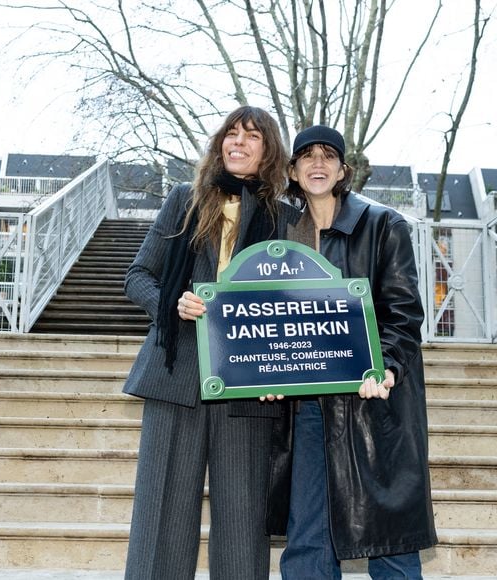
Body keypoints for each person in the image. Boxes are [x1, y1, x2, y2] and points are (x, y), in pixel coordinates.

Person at [122, 105, 295, 580]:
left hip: (248, 384)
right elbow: (137, 276)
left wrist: (283, 372)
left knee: (242, 524)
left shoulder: (286, 217)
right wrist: (171, 303)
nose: (237, 143)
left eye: (251, 136)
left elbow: (296, 305)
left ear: (269, 150)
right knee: (161, 516)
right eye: (231, 134)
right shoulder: (184, 198)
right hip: (175, 374)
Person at [266, 125, 438, 579]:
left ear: (343, 170)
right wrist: (265, 373)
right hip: (306, 405)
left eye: (328, 156)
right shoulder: (280, 236)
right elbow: (267, 316)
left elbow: (402, 314)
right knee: (308, 534)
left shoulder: (384, 224)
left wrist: (387, 368)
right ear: (293, 169)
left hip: (372, 401)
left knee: (389, 535)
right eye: (307, 156)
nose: (317, 164)